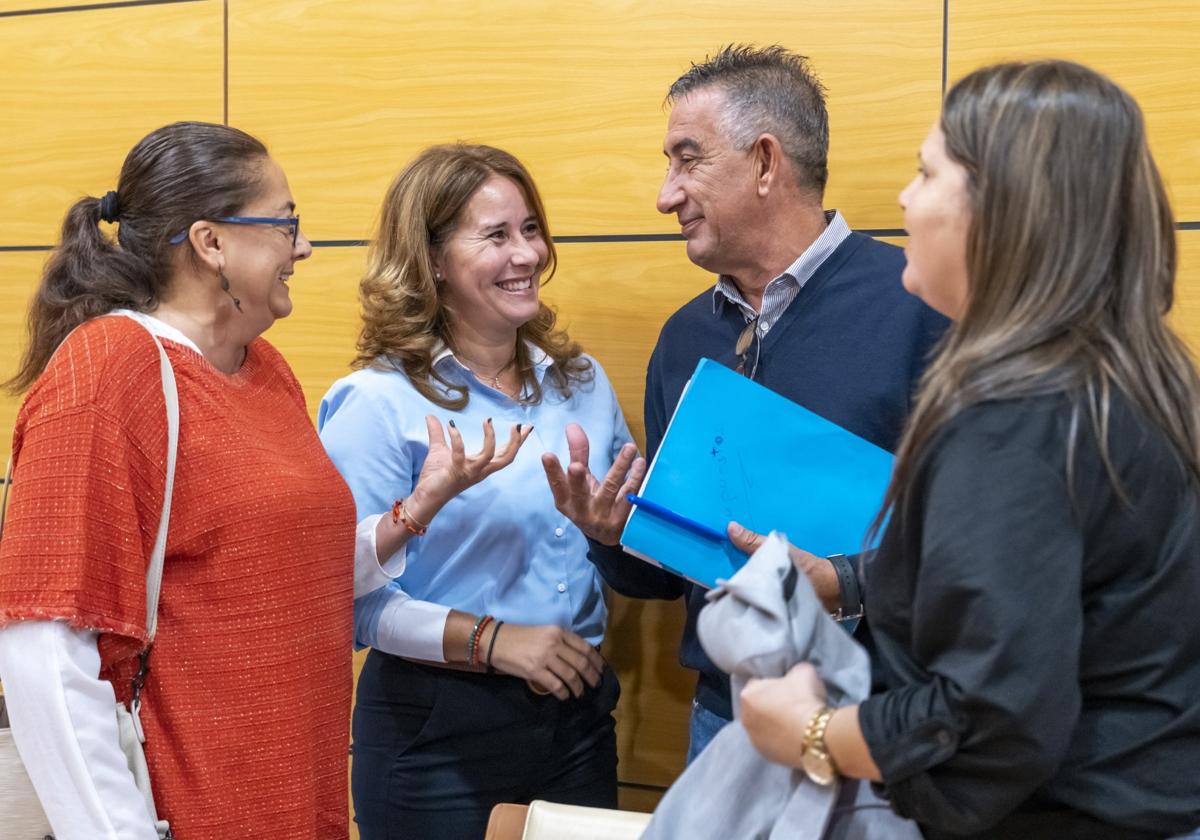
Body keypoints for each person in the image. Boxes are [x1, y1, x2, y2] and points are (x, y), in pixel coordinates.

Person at [738, 60, 1200, 839]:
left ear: (1005, 208)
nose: (904, 198)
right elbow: (1060, 581)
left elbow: (990, 712)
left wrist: (813, 733)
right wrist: (850, 580)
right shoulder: (1128, 372)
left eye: (926, 173)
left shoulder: (1015, 411)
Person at [542, 44, 947, 761]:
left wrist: (846, 583)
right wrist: (610, 537)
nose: (665, 195)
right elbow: (666, 576)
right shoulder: (685, 337)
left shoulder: (922, 303)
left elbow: (972, 537)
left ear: (765, 163)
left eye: (687, 159)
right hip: (726, 721)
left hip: (887, 718)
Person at [0, 122, 355, 839]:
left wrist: (412, 517)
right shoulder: (107, 370)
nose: (304, 247)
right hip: (187, 813)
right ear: (211, 242)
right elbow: (45, 647)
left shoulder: (266, 369)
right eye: (286, 224)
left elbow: (272, 567)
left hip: (296, 801)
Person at [317, 144, 632, 840]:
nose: (525, 254)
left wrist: (614, 532)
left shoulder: (582, 383)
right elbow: (346, 602)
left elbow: (617, 540)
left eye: (530, 229)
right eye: (495, 236)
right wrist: (492, 642)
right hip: (437, 726)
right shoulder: (376, 401)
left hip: (577, 713)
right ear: (431, 260)